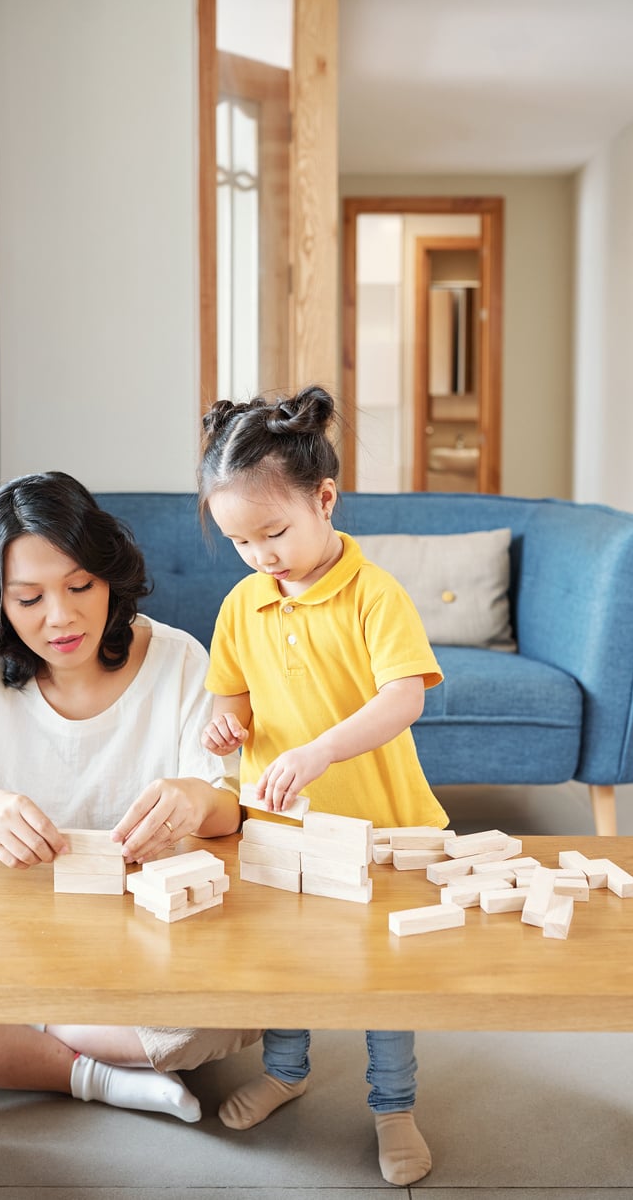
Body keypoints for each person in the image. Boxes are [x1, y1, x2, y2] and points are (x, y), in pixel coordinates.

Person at [0, 470, 261, 1123]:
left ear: (108, 575)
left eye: (79, 586)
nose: (59, 618)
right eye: (27, 599)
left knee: (239, 1017)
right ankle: (99, 1077)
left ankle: (28, 1032)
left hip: (153, 939)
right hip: (17, 936)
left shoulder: (178, 661)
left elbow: (231, 803)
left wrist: (194, 799)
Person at [198, 386, 449, 1186]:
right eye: (241, 541)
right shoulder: (242, 604)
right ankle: (286, 1068)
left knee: (385, 976)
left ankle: (394, 1104)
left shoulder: (376, 595)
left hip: (378, 821)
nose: (261, 556)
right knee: (285, 961)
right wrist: (223, 724)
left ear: (325, 499)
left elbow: (403, 697)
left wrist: (317, 752)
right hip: (279, 828)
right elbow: (229, 692)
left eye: (274, 532)